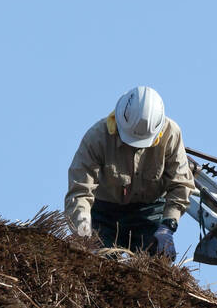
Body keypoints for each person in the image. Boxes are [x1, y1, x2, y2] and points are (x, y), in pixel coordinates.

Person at [64, 86, 194, 260]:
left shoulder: (171, 134)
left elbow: (181, 185)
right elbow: (80, 192)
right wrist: (84, 232)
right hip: (104, 213)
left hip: (149, 212)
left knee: (157, 262)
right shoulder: (97, 137)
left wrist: (167, 226)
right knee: (98, 265)